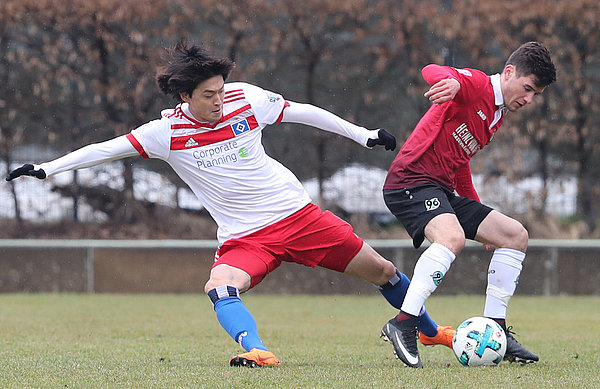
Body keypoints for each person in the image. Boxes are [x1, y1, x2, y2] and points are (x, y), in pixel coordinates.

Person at [6, 41, 454, 368]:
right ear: (185, 97)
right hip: (244, 236)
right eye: (208, 94)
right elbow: (103, 149)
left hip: (297, 216)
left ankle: (429, 333)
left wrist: (364, 135)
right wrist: (48, 168)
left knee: (384, 272)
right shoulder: (165, 134)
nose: (219, 100)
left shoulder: (248, 99)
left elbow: (306, 112)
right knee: (219, 285)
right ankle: (256, 350)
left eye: (221, 90)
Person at [380, 41, 557, 368]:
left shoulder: (496, 115)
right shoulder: (476, 85)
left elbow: (459, 162)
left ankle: (497, 332)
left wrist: (480, 218)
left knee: (514, 235)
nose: (530, 99)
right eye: (528, 88)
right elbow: (431, 71)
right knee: (452, 238)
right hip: (410, 180)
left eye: (536, 94)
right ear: (509, 73)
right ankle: (403, 323)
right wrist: (454, 82)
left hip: (440, 188)